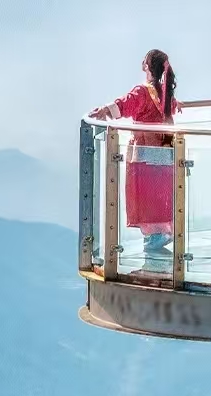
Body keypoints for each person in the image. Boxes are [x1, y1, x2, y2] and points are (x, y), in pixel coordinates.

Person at [90, 49, 178, 256]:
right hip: (164, 150)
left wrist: (105, 110)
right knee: (160, 191)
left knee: (144, 193)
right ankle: (163, 230)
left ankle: (154, 235)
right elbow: (170, 107)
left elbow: (125, 104)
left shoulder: (143, 91)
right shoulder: (164, 91)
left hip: (144, 152)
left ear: (147, 66)